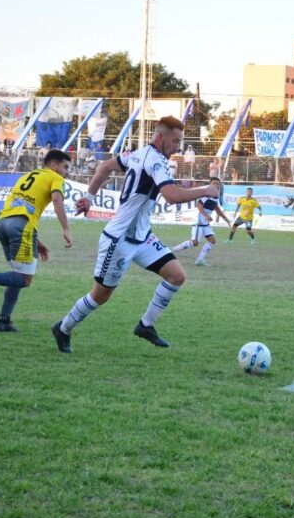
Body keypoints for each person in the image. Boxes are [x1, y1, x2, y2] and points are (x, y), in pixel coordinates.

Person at [51, 116, 219, 354]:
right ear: (160, 138)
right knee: (100, 296)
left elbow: (106, 166)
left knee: (176, 276)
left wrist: (89, 197)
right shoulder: (157, 160)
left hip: (142, 236)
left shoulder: (137, 154)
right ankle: (63, 328)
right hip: (118, 240)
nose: (178, 147)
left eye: (180, 141)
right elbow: (171, 196)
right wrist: (205, 189)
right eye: (175, 141)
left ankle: (146, 325)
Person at [0, 149, 73, 332]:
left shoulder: (28, 176)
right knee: (24, 279)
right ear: (53, 165)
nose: (67, 171)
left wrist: (36, 241)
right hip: (21, 227)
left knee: (16, 274)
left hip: (3, 223)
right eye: (65, 167)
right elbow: (56, 200)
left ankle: (3, 321)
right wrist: (66, 228)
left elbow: (21, 206)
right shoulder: (56, 178)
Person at [170, 177, 231, 267]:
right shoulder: (206, 194)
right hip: (199, 222)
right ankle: (171, 250)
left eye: (217, 183)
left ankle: (200, 260)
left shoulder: (216, 196)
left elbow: (217, 209)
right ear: (210, 184)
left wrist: (226, 220)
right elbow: (199, 205)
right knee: (195, 242)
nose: (216, 185)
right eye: (214, 183)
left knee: (212, 240)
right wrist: (206, 216)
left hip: (205, 224)